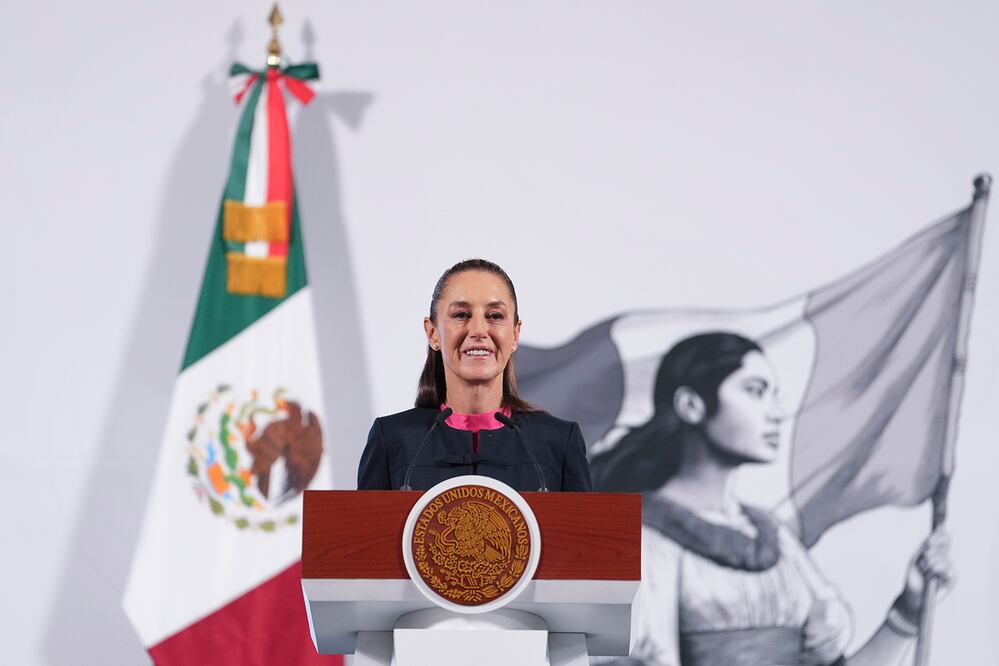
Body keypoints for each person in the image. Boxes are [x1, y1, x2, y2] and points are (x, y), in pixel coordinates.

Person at [590, 332, 954, 666]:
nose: (777, 412)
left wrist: (908, 612)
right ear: (691, 405)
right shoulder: (634, 539)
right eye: (755, 390)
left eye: (774, 394)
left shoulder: (775, 539)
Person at [357, 258, 592, 492]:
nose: (478, 330)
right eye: (461, 314)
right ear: (432, 333)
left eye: (495, 316)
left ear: (515, 334)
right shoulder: (392, 440)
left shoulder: (559, 443)